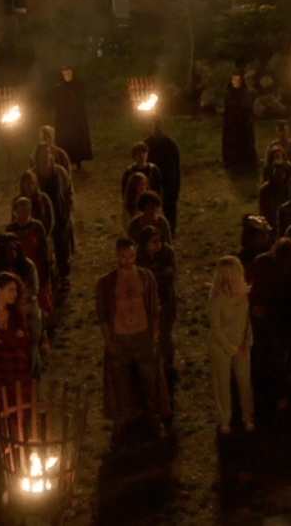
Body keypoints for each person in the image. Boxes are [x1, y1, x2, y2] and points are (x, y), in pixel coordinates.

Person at [96, 237, 169, 444]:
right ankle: (121, 422)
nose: (127, 260)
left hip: (142, 335)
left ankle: (154, 419)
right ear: (117, 256)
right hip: (120, 338)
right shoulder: (107, 282)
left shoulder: (146, 277)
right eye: (123, 256)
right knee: (120, 383)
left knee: (150, 380)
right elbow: (103, 315)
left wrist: (154, 334)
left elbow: (154, 306)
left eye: (131, 256)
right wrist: (109, 341)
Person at [0, 271, 34, 466]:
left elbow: (25, 340)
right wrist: (12, 338)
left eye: (16, 290)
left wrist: (2, 338)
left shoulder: (17, 315)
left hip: (17, 369)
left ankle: (17, 452)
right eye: (10, 290)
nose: (15, 294)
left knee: (17, 410)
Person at [245, 236, 291, 415]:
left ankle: (289, 393)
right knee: (268, 357)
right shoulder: (262, 264)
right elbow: (253, 290)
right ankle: (270, 394)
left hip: (290, 315)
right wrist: (258, 309)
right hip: (269, 318)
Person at [208, 256, 254, 434]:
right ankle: (224, 420)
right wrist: (230, 348)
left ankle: (248, 416)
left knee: (245, 382)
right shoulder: (217, 299)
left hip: (241, 345)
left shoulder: (243, 294)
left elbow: (247, 321)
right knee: (222, 384)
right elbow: (215, 328)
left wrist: (246, 342)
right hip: (221, 347)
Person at [0, 232, 44, 352]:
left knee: (29, 347)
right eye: (8, 250)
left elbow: (33, 291)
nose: (12, 253)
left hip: (26, 310)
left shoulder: (27, 266)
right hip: (3, 314)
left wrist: (19, 307)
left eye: (14, 249)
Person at [135, 226, 178, 382]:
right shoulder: (139, 256)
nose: (158, 244)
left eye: (159, 240)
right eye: (153, 241)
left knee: (165, 334)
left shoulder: (167, 253)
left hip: (165, 300)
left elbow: (168, 277)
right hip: (146, 301)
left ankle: (168, 365)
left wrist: (153, 275)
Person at [33, 144, 75, 298]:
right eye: (42, 154)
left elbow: (68, 191)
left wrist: (68, 208)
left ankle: (64, 276)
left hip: (59, 214)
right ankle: (49, 278)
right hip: (42, 218)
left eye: (48, 154)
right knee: (44, 250)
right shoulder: (33, 175)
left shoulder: (60, 173)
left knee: (62, 246)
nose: (46, 157)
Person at [7, 197, 55, 313]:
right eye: (21, 210)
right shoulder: (11, 230)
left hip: (38, 269)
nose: (24, 213)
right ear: (15, 211)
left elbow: (45, 249)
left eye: (26, 210)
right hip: (18, 270)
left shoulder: (37, 227)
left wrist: (47, 267)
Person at [144, 119, 182, 238]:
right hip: (155, 182)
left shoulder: (171, 145)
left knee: (169, 209)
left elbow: (176, 166)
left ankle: (169, 234)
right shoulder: (148, 144)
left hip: (169, 182)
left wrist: (176, 184)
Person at [52, 65, 94, 162]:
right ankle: (66, 159)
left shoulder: (77, 86)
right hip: (64, 119)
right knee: (65, 140)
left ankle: (78, 160)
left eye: (69, 73)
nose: (67, 75)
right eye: (65, 73)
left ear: (72, 73)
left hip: (76, 119)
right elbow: (58, 104)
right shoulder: (60, 87)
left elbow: (81, 101)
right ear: (62, 75)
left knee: (77, 139)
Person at [221, 72, 257, 168]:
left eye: (237, 80)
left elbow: (248, 107)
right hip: (232, 123)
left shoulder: (245, 93)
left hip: (243, 123)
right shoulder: (229, 94)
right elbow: (227, 109)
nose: (236, 82)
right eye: (234, 80)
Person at [120, 143, 165, 210]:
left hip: (151, 203)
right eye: (139, 153)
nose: (142, 156)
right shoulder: (129, 172)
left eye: (144, 153)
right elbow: (125, 192)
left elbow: (158, 189)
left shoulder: (153, 170)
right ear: (134, 155)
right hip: (134, 205)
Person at [18, 170, 57, 242]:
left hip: (42, 239)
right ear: (23, 185)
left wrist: (44, 236)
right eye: (27, 184)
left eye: (32, 183)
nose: (30, 186)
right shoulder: (18, 201)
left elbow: (51, 220)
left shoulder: (44, 199)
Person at [258, 160, 291, 225]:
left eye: (281, 173)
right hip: (271, 221)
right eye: (277, 173)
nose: (279, 176)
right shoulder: (265, 189)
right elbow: (263, 210)